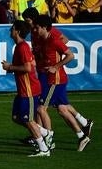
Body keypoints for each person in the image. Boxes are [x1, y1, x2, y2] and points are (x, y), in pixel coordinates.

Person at [33, 15, 93, 152]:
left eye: (37, 27)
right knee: (62, 109)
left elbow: (70, 55)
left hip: (54, 80)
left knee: (41, 108)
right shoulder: (41, 40)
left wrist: (56, 66)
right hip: (47, 78)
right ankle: (81, 135)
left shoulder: (54, 40)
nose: (34, 30)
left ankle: (48, 138)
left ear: (44, 28)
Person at [0, 20, 50, 157]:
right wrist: (10, 68)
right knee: (17, 117)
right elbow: (28, 65)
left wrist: (10, 67)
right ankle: (45, 133)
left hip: (29, 90)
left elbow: (28, 67)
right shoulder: (19, 47)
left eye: (12, 28)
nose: (10, 31)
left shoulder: (22, 47)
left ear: (17, 31)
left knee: (27, 119)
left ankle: (43, 148)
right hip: (23, 89)